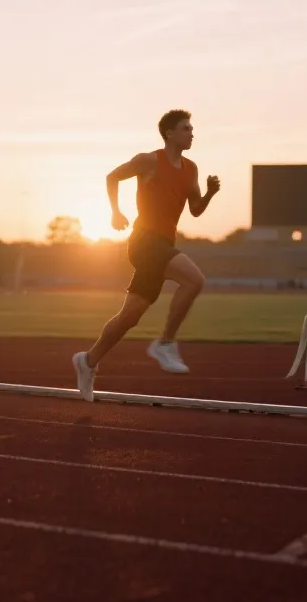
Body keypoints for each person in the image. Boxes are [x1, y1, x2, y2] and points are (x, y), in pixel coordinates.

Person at [72, 110, 220, 402]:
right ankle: (165, 343)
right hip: (144, 241)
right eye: (186, 128)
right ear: (169, 133)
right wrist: (115, 211)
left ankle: (87, 360)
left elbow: (195, 209)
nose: (192, 132)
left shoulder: (191, 169)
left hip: (163, 243)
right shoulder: (149, 160)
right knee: (194, 281)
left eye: (192, 128)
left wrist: (210, 193)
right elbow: (112, 176)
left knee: (129, 316)